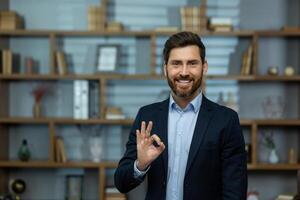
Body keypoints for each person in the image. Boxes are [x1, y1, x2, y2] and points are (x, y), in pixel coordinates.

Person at [114, 31, 247, 200]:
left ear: (204, 67)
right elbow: (121, 182)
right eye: (176, 64)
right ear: (165, 68)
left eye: (192, 63)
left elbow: (235, 191)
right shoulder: (147, 116)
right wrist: (141, 164)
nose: (184, 72)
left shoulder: (226, 120)